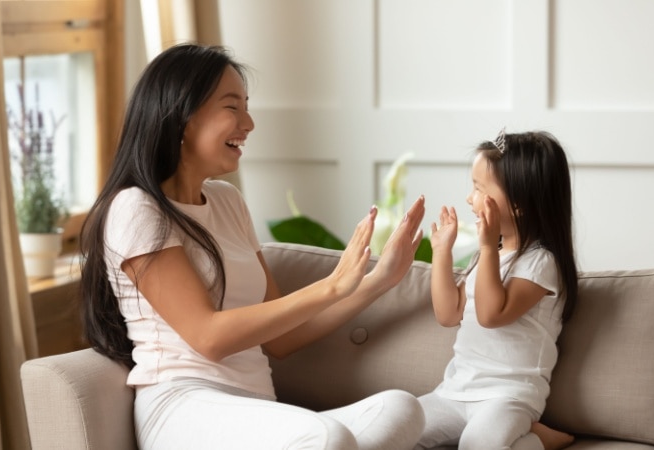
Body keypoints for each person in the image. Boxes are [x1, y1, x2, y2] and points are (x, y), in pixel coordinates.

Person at [79, 43, 427, 450]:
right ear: (183, 117)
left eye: (246, 106)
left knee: (402, 409)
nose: (249, 123)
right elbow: (207, 336)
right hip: (183, 407)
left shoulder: (227, 201)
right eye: (232, 107)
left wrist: (378, 280)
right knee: (330, 438)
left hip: (257, 410)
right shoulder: (135, 208)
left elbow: (281, 339)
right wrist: (332, 284)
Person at [415, 130, 577, 450]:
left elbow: (492, 314)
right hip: (454, 391)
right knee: (404, 430)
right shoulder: (488, 258)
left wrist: (488, 246)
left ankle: (537, 439)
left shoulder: (541, 263)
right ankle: (533, 435)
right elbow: (448, 315)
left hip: (508, 397)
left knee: (479, 443)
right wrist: (442, 252)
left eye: (477, 188)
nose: (469, 199)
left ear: (517, 205)